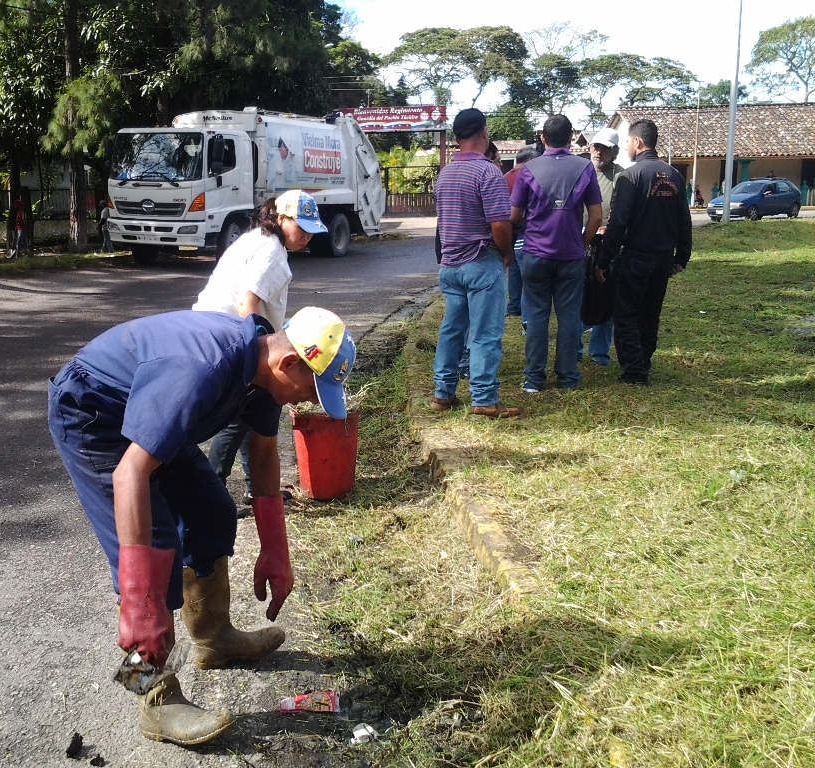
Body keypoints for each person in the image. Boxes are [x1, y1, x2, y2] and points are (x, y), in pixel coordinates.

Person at [47, 306, 356, 746]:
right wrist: (140, 602)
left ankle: (213, 638)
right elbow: (129, 473)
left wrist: (276, 551)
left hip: (143, 410)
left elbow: (265, 456)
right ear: (289, 363)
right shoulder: (203, 368)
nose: (311, 399)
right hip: (93, 413)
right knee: (152, 553)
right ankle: (150, 692)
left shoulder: (264, 372)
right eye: (313, 387)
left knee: (212, 511)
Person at [193, 189, 326, 506]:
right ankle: (210, 497)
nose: (306, 236)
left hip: (209, 333)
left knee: (249, 418)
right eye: (301, 227)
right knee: (239, 420)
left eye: (311, 230)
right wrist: (258, 358)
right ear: (281, 218)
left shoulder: (257, 240)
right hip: (231, 342)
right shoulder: (273, 256)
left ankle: (252, 488)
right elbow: (247, 303)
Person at [431, 108, 518, 419]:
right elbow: (499, 224)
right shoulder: (487, 172)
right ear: (485, 133)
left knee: (451, 330)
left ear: (455, 139)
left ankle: (443, 393)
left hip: (450, 265)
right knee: (485, 333)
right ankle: (483, 398)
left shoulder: (445, 174)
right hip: (481, 263)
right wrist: (507, 253)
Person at [510, 115, 603, 393]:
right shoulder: (585, 167)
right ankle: (567, 378)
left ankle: (534, 380)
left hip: (536, 254)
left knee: (537, 317)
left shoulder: (529, 169)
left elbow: (514, 214)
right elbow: (596, 217)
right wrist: (582, 243)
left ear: (542, 139)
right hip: (571, 255)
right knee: (569, 317)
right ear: (572, 136)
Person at [597, 118, 692, 386]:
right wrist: (681, 257)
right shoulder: (673, 175)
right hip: (663, 259)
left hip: (635, 258)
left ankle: (635, 371)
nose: (627, 146)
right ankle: (643, 363)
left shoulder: (631, 176)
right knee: (650, 314)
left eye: (627, 141)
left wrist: (603, 260)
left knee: (626, 314)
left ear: (637, 142)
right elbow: (684, 219)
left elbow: (618, 223)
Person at [579, 127, 624, 366]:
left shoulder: (621, 177)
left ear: (614, 152)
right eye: (596, 146)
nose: (599, 152)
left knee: (607, 300)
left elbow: (623, 214)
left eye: (605, 148)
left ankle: (599, 353)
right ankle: (574, 348)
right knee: (577, 297)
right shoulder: (581, 172)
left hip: (608, 246)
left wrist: (612, 230)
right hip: (580, 243)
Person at [503, 145, 541, 323]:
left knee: (514, 272)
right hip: (525, 230)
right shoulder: (528, 177)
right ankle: (527, 318)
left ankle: (513, 307)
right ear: (531, 161)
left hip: (506, 232)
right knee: (529, 278)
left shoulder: (505, 178)